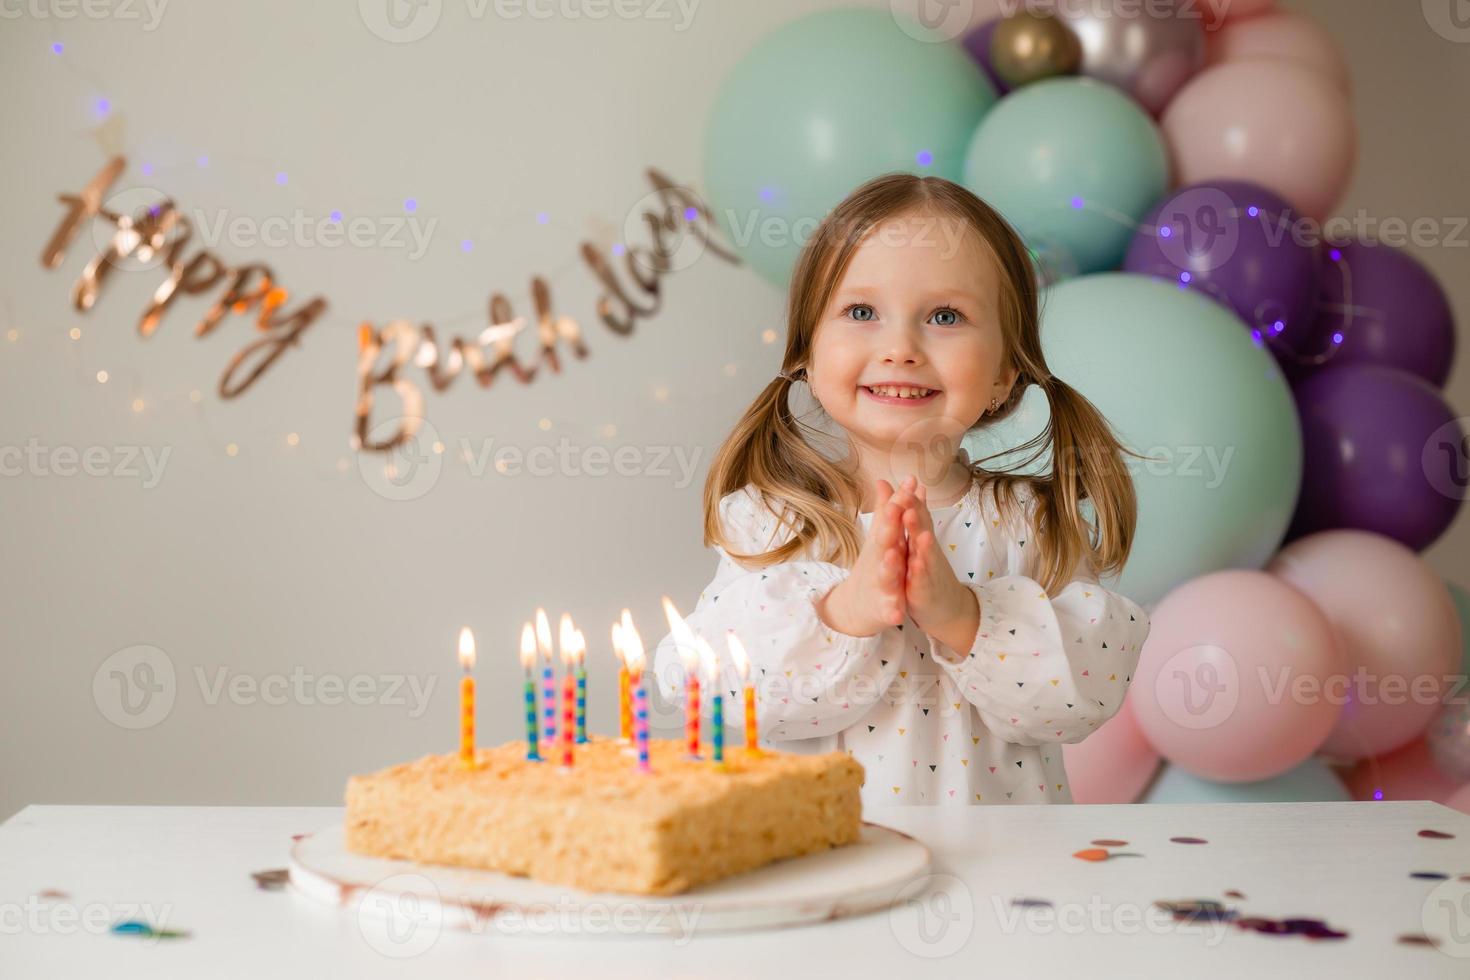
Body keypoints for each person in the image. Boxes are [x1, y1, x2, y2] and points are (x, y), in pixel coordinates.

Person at [652, 172, 1152, 804]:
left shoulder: (1032, 524)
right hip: (833, 872)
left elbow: (1088, 692)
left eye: (945, 316)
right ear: (807, 351)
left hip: (1005, 883)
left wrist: (966, 616)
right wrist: (845, 613)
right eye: (861, 312)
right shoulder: (774, 525)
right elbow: (710, 680)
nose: (900, 348)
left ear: (1004, 372)